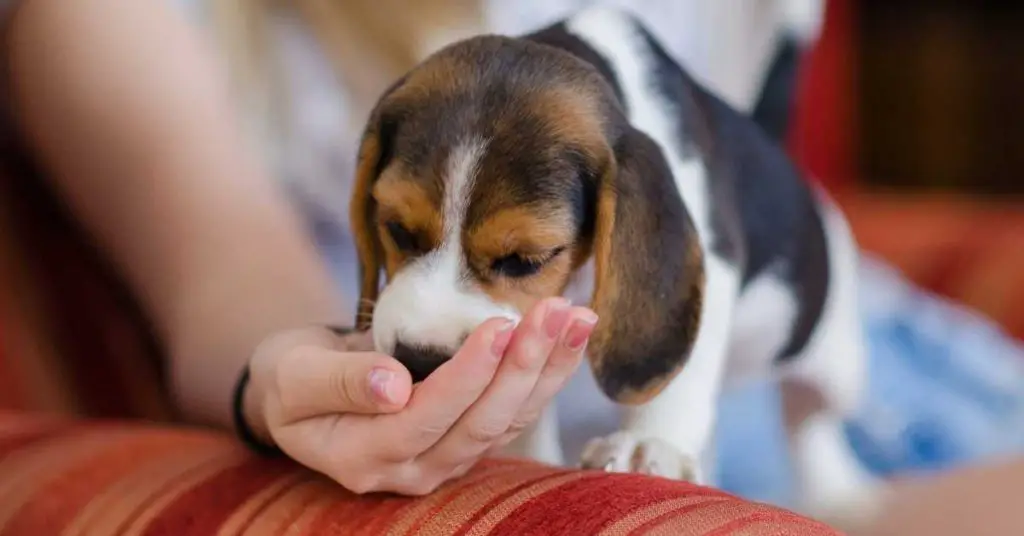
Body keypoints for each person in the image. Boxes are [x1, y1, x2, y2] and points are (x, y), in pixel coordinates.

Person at [7, 1, 1024, 534]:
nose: (426, 303)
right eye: (401, 233)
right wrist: (289, 368)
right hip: (595, 469)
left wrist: (666, 426)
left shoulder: (636, 151)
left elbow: (717, 217)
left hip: (858, 379)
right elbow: (225, 280)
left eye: (517, 256)